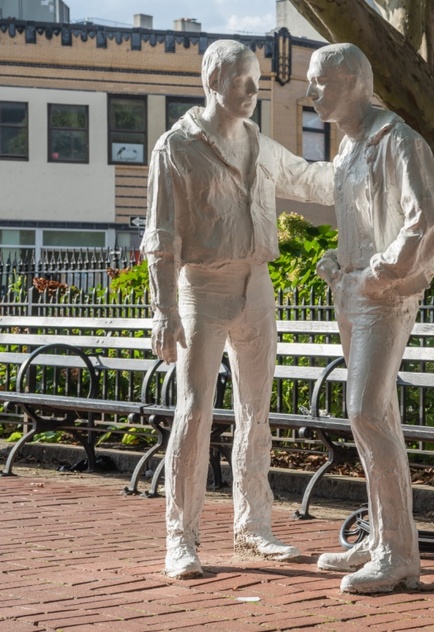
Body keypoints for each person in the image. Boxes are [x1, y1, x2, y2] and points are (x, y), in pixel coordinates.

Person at [143, 39, 333, 580]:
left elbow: (308, 178)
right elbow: (160, 237)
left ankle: (253, 526)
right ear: (213, 81)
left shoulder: (260, 143)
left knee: (256, 412)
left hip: (259, 286)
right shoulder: (175, 148)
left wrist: (362, 167)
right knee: (195, 411)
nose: (254, 91)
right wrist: (163, 310)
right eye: (242, 81)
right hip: (201, 287)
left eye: (256, 80)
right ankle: (181, 537)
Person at [308, 43, 434, 594]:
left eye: (322, 81)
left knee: (365, 411)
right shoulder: (346, 150)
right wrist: (340, 264)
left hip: (384, 294)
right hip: (352, 289)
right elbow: (361, 221)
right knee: (376, 417)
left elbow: (428, 219)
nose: (312, 91)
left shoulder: (400, 141)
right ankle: (385, 538)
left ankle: (397, 553)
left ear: (355, 82)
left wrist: (380, 271)